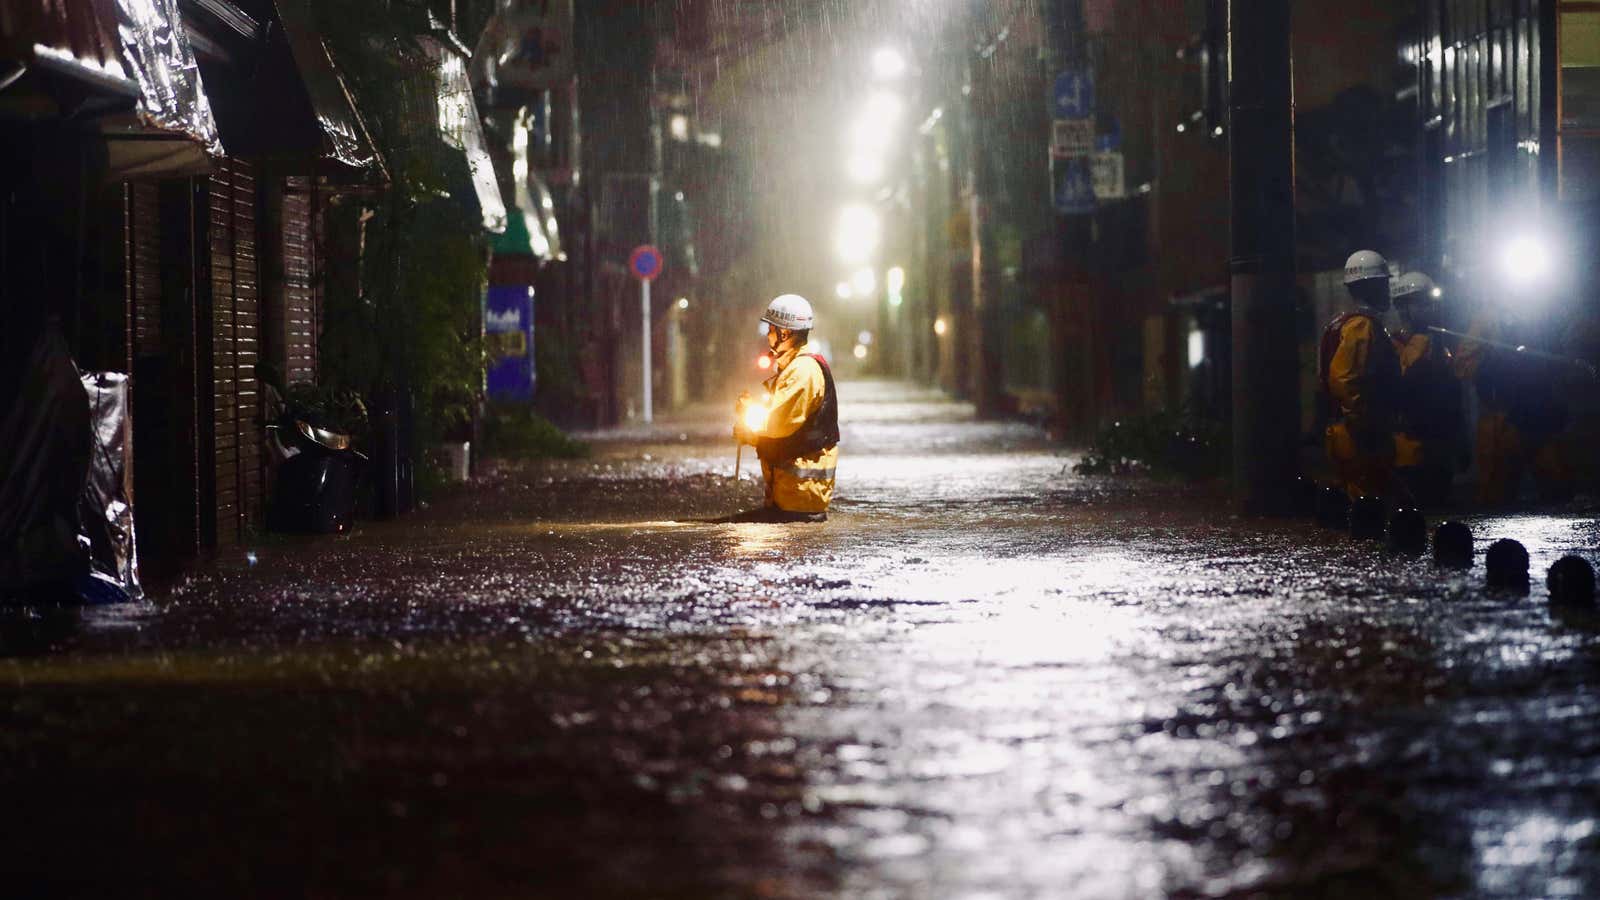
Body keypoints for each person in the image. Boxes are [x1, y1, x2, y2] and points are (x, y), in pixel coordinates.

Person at [728, 294, 839, 522]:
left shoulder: (802, 371)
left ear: (785, 333)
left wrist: (749, 432)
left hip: (799, 497)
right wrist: (751, 409)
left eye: (771, 329)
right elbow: (782, 414)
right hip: (794, 496)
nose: (768, 335)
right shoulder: (795, 367)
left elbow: (777, 425)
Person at [1453, 301, 1573, 506]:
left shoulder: (1547, 314)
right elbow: (1462, 366)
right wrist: (1491, 362)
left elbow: (1563, 358)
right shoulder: (1488, 319)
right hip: (1503, 416)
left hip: (1541, 415)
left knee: (1558, 489)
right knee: (1496, 494)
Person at [1319, 250, 1401, 499]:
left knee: (1360, 507)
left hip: (1346, 430)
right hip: (1358, 435)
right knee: (1369, 507)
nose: (1388, 290)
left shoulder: (1340, 324)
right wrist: (1362, 424)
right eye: (1384, 283)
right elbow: (1344, 379)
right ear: (1371, 287)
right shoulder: (1362, 326)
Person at [1390, 272, 1461, 506]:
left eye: (1427, 302)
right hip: (1409, 447)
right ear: (1403, 307)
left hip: (1436, 446)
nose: (1427, 308)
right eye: (1420, 302)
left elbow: (1452, 391)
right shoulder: (1395, 343)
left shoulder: (1438, 342)